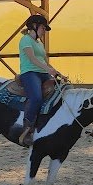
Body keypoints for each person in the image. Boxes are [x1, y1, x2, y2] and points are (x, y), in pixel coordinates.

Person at [18, 14, 62, 146]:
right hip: (30, 72)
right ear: (34, 26)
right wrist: (48, 70)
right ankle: (27, 130)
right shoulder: (25, 40)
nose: (44, 31)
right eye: (43, 28)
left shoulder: (39, 43)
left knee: (60, 92)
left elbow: (45, 61)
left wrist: (57, 72)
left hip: (43, 72)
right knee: (36, 98)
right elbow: (32, 59)